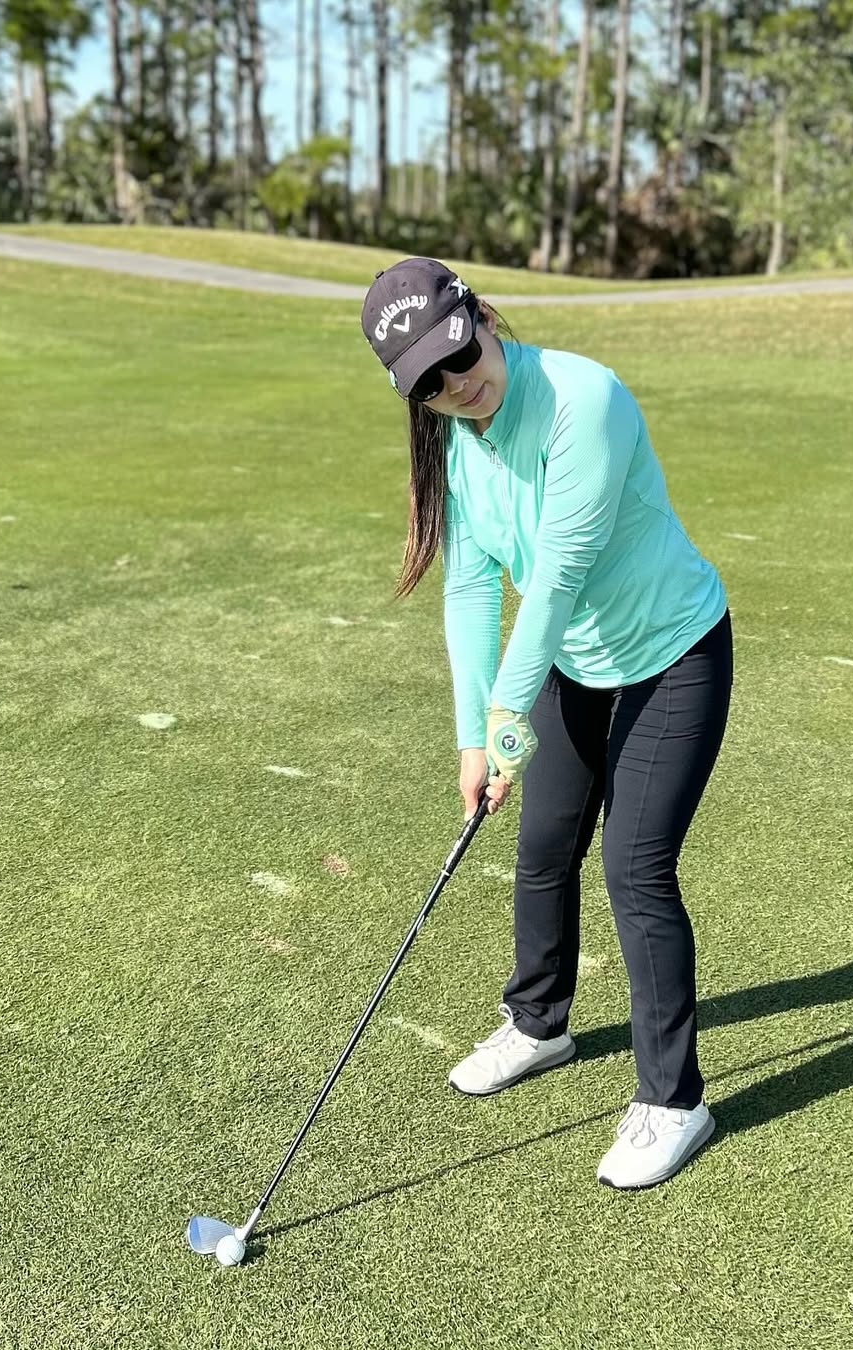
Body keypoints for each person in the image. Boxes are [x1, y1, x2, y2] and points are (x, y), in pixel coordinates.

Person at [360, 257, 733, 1190]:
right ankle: (539, 1023)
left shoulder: (583, 401)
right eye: (432, 383)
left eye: (463, 353)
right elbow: (471, 585)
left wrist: (506, 718)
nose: (459, 384)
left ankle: (675, 1102)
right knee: (541, 843)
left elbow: (557, 579)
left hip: (673, 653)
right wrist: (472, 737)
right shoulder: (457, 443)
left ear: (484, 315)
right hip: (574, 662)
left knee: (634, 865)